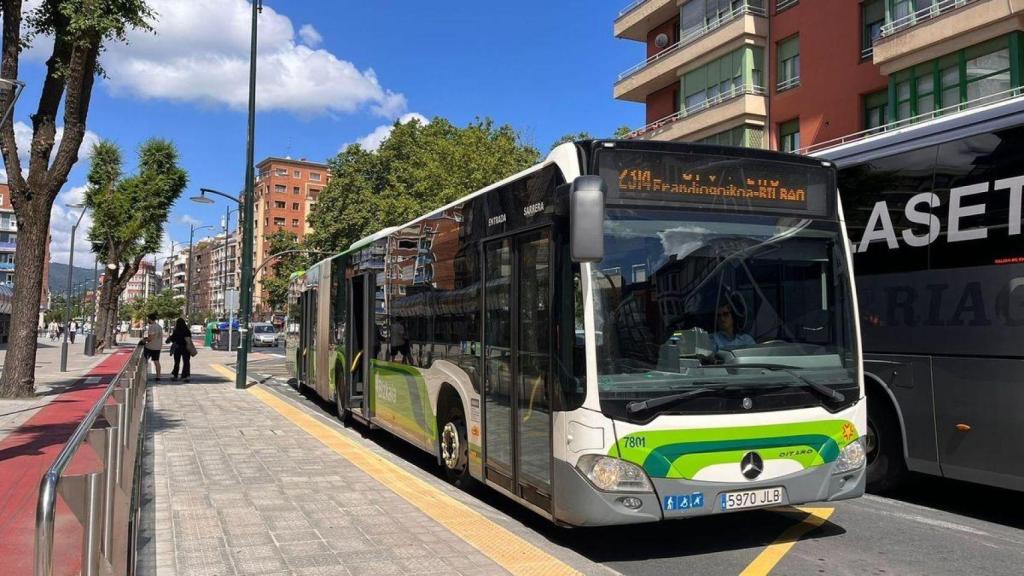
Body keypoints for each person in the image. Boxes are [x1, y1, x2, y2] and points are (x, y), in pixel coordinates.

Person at [166, 317, 192, 383]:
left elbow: (173, 338)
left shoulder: (176, 331)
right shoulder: (187, 330)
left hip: (177, 347)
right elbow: (189, 339)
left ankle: (175, 375)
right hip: (186, 348)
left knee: (177, 362)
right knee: (186, 362)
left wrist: (169, 339)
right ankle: (185, 376)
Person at [144, 313, 164, 381]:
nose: (148, 320)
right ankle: (158, 376)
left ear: (150, 319)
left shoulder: (152, 326)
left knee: (144, 361)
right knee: (156, 361)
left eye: (148, 319)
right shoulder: (159, 326)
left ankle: (143, 375)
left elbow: (151, 338)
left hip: (150, 347)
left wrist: (145, 340)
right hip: (157, 346)